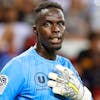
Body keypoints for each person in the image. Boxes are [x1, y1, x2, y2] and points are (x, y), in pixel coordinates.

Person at [0, 1, 92, 100]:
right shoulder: (18, 66)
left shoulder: (66, 66)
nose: (56, 29)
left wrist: (83, 96)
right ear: (35, 30)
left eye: (60, 24)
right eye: (48, 24)